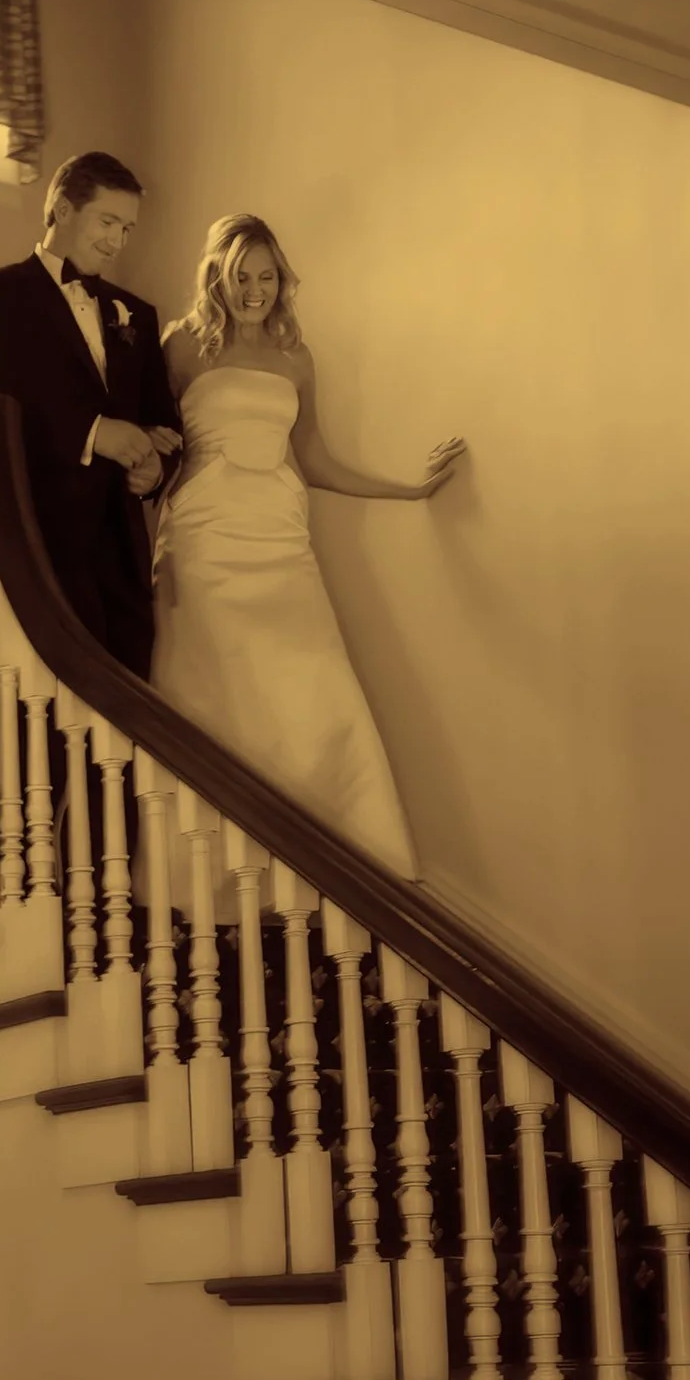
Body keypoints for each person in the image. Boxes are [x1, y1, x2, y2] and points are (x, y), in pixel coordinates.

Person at [153, 213, 462, 881]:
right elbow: (155, 445)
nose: (255, 290)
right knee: (215, 689)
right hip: (206, 533)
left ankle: (324, 866)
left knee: (312, 683)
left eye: (267, 277)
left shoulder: (297, 356)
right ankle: (206, 877)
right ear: (219, 277)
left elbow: (315, 458)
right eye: (242, 276)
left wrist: (407, 490)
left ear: (281, 281)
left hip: (281, 536)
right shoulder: (181, 346)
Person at [0, 151, 184, 679]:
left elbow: (163, 424)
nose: (118, 242)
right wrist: (93, 433)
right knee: (53, 714)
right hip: (38, 539)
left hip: (121, 555)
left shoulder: (138, 316)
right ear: (60, 208)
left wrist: (152, 472)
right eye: (108, 222)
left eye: (128, 228)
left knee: (129, 707)